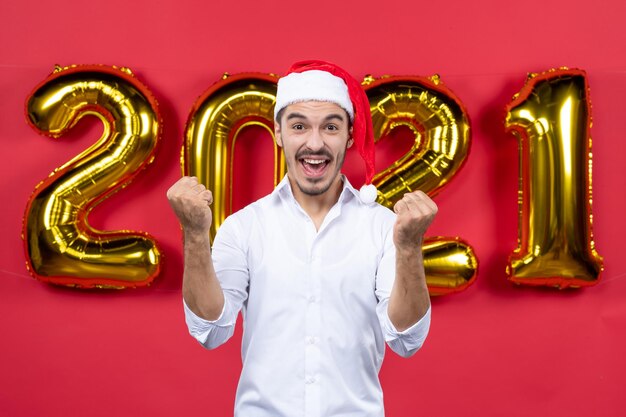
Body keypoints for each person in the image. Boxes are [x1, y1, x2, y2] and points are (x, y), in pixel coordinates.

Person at [166, 60, 437, 417]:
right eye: (298, 126)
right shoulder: (244, 227)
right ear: (278, 133)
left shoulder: (384, 227)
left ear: (350, 136)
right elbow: (210, 329)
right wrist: (196, 235)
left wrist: (408, 248)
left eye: (330, 127)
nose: (315, 143)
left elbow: (406, 339)